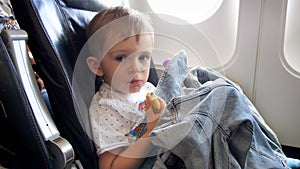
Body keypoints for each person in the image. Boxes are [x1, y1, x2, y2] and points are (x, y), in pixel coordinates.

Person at [86, 6, 165, 169]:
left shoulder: (148, 89)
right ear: (97, 66)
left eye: (143, 57)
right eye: (121, 58)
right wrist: (151, 129)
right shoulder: (106, 107)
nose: (136, 68)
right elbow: (111, 167)